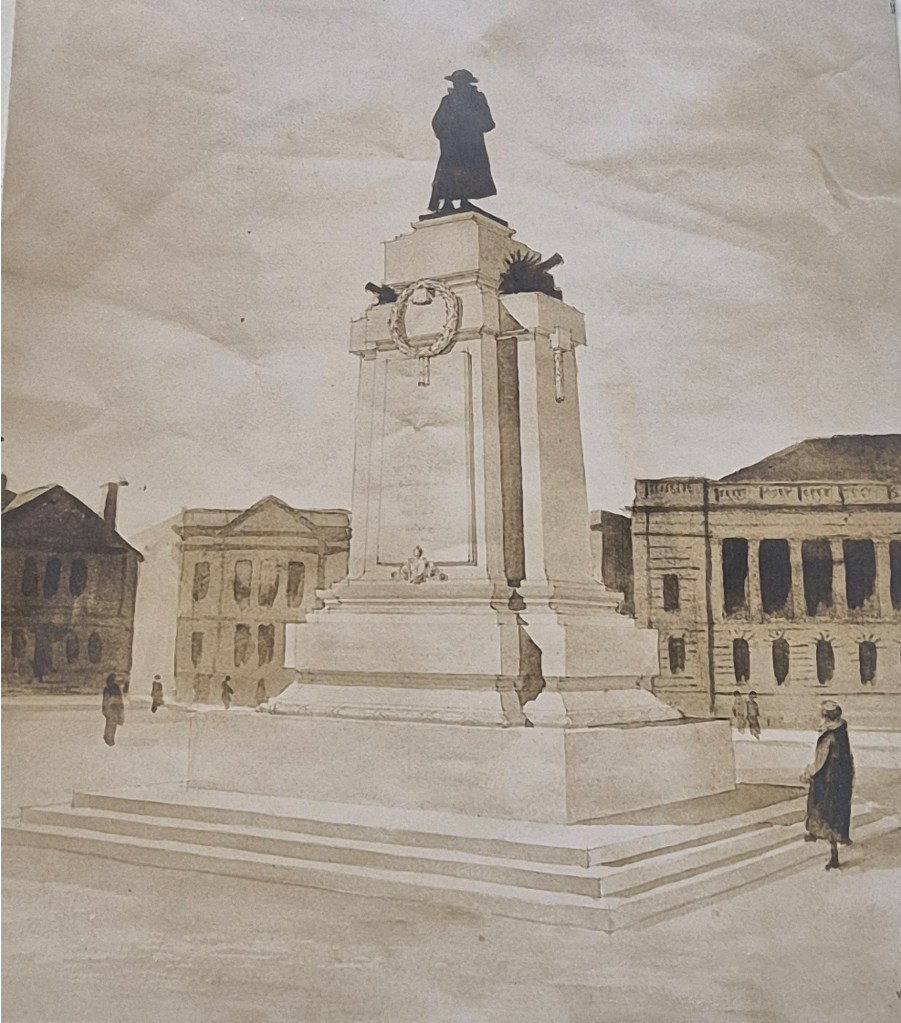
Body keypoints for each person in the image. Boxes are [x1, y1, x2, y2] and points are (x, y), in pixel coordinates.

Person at [428, 70, 496, 214]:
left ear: (468, 83)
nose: (458, 85)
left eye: (461, 82)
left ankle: (464, 200)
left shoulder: (478, 99)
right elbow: (437, 121)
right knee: (448, 172)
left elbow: (488, 122)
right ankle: (447, 201)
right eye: (456, 82)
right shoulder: (447, 100)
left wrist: (471, 125)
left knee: (469, 171)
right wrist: (445, 133)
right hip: (451, 144)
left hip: (471, 144)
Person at [802, 701, 855, 871]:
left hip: (827, 781)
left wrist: (807, 773)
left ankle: (834, 856)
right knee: (840, 810)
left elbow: (819, 763)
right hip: (842, 779)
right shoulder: (841, 731)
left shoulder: (828, 738)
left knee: (825, 813)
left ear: (826, 717)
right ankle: (842, 837)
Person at [101, 674, 125, 747]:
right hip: (112, 708)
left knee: (111, 724)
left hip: (112, 708)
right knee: (112, 724)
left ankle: (109, 739)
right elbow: (115, 699)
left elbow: (106, 700)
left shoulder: (109, 688)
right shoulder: (112, 688)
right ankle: (109, 739)